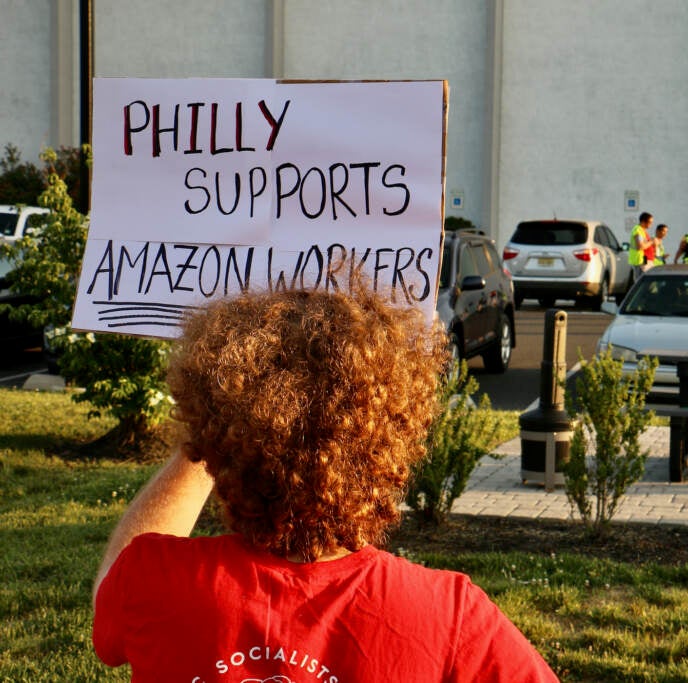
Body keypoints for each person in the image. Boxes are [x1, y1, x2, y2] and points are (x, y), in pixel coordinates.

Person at [91, 285, 559, 682]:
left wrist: (207, 439)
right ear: (395, 439)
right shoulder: (453, 617)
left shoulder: (151, 581)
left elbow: (108, 611)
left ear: (210, 443)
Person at [628, 211, 656, 278]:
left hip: (643, 259)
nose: (651, 225)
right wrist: (651, 242)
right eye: (649, 222)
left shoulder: (642, 231)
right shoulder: (638, 230)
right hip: (640, 260)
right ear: (643, 222)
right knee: (642, 281)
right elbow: (640, 246)